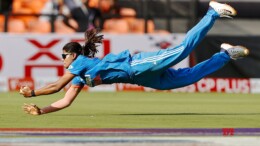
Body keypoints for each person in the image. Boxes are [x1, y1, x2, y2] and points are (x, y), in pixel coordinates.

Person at [20, 1, 249, 115]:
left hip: (136, 65)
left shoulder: (79, 63)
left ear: (72, 55)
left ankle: (212, 11)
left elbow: (56, 86)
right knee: (186, 78)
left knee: (181, 51)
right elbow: (65, 100)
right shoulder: (79, 76)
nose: (62, 60)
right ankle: (225, 54)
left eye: (63, 56)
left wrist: (33, 93)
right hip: (142, 78)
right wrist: (42, 110)